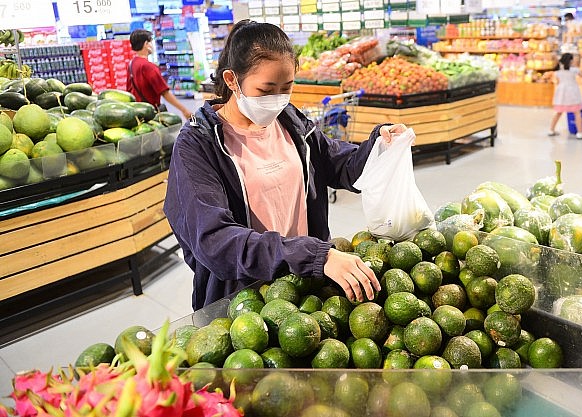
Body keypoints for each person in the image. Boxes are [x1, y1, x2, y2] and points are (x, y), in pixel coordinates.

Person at [163, 20, 408, 310]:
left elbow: (337, 163)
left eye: (286, 88)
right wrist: (315, 256)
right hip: (244, 303)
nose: (277, 100)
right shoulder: (198, 145)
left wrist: (377, 147)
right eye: (266, 90)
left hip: (305, 287)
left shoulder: (290, 122)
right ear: (232, 80)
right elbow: (215, 241)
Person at [127, 29, 193, 119]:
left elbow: (129, 91)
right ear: (147, 44)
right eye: (151, 42)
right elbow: (165, 93)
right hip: (150, 114)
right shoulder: (149, 66)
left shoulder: (131, 64)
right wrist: (184, 110)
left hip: (137, 112)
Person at [548, 53, 582, 139]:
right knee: (577, 112)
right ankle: (580, 133)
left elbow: (558, 82)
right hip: (572, 93)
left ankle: (551, 130)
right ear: (570, 61)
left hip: (561, 94)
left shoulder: (558, 72)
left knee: (558, 112)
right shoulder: (574, 70)